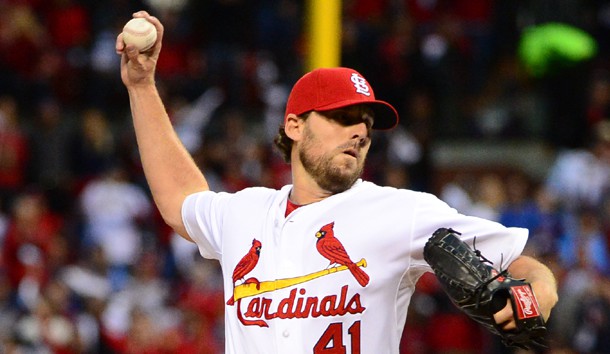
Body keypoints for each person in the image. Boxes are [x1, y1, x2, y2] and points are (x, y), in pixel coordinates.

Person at [116, 11, 558, 354]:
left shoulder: (402, 212)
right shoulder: (245, 212)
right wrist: (141, 87)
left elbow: (526, 266)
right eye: (342, 118)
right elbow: (179, 200)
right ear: (294, 125)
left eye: (365, 123)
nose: (360, 132)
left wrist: (536, 296)